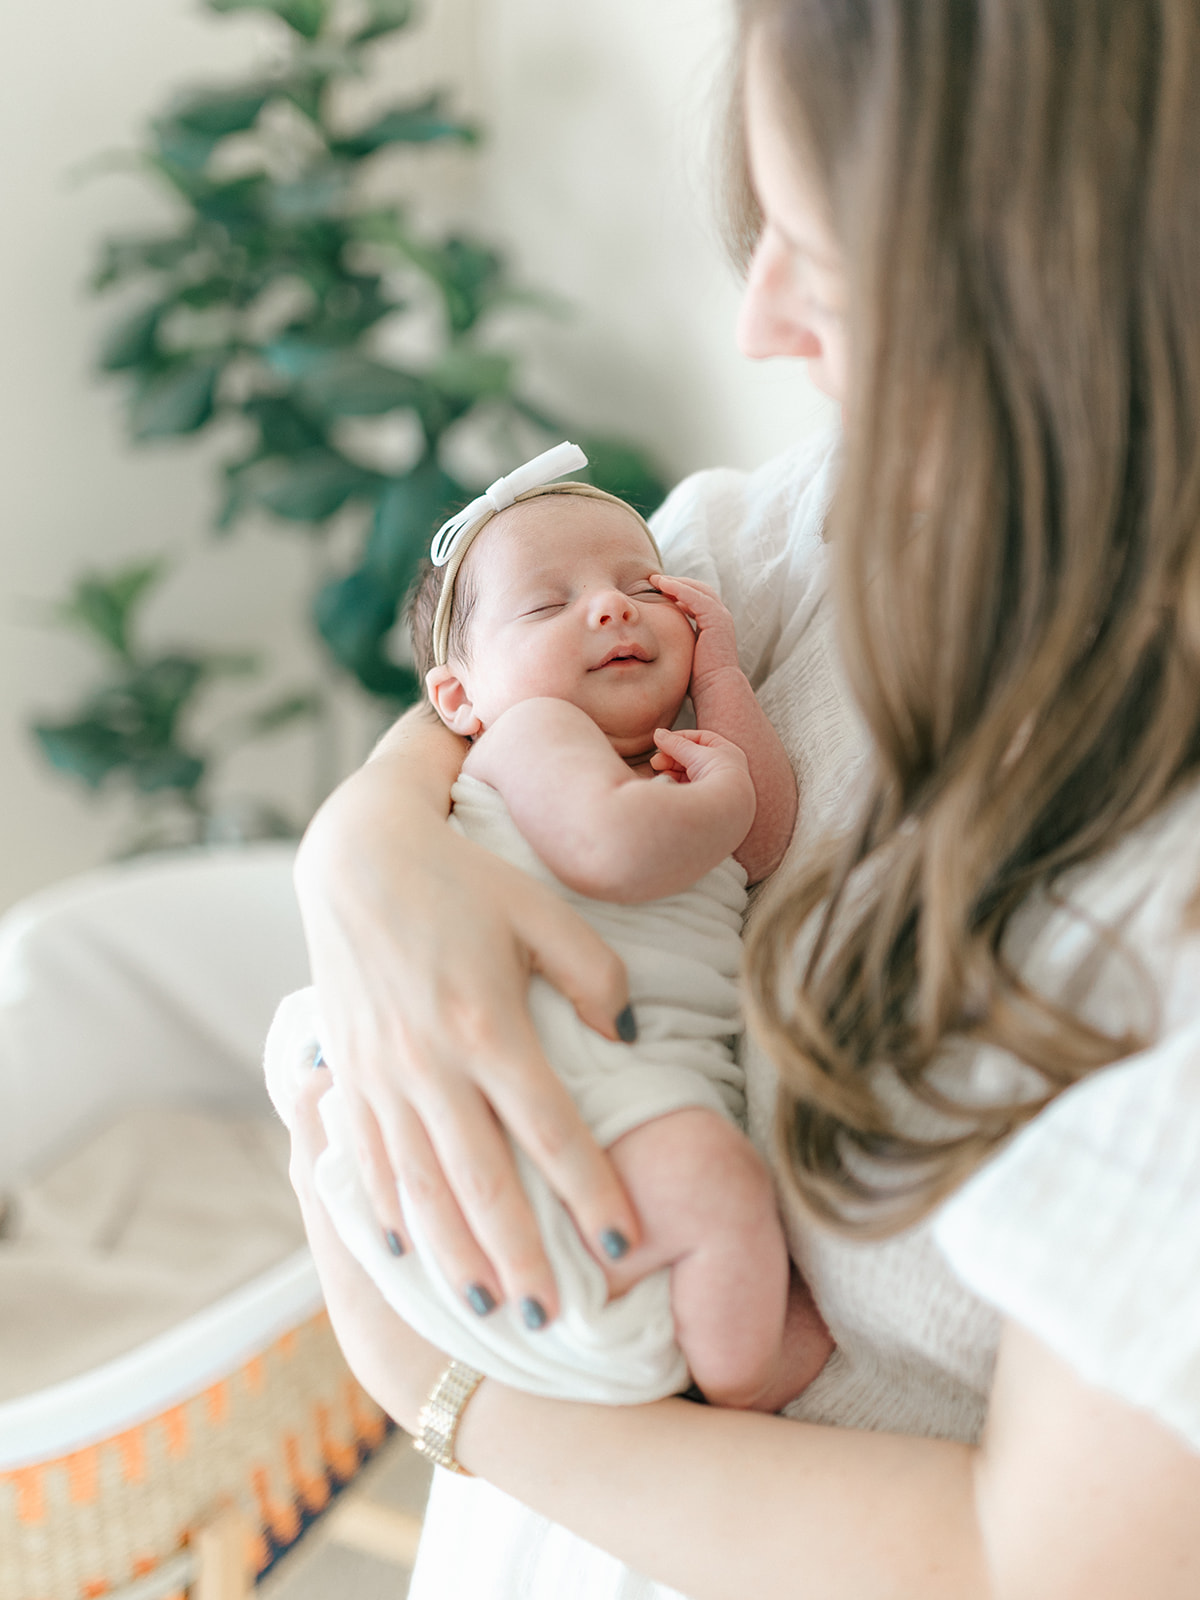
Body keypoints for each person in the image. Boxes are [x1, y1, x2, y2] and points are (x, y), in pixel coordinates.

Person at [286, 1, 1200, 1596]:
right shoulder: (876, 499)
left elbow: (1027, 1565)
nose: (760, 325)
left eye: (831, 263)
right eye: (765, 231)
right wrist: (366, 852)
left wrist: (447, 1396)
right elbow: (528, 676)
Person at [267, 454, 832, 1411]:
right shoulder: (530, 737)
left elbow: (766, 838)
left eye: (638, 587)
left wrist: (725, 677)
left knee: (697, 1185)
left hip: (607, 1091)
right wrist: (717, 790)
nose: (610, 610)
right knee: (713, 1188)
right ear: (458, 701)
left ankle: (687, 1342)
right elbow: (614, 848)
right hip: (556, 1067)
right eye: (546, 606)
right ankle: (749, 1369)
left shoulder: (673, 769)